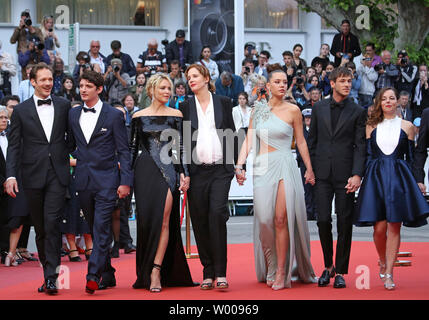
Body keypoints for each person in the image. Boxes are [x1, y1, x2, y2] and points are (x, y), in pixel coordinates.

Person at [234, 68, 317, 290]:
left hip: (285, 165)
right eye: (277, 82)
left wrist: (309, 169)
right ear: (268, 86)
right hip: (262, 166)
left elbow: (301, 142)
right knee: (264, 219)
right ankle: (270, 264)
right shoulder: (257, 110)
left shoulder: (294, 110)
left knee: (281, 219)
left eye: (285, 81)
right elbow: (249, 140)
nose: (282, 85)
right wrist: (239, 164)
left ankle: (282, 271)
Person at [5, 63, 72, 295]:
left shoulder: (64, 105)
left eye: (50, 79)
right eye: (43, 80)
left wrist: (66, 155)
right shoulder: (21, 110)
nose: (48, 83)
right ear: (32, 81)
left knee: (52, 223)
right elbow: (13, 146)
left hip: (57, 173)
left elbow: (72, 138)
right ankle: (48, 273)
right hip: (31, 175)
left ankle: (52, 277)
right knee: (41, 228)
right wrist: (10, 175)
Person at [355, 87, 429, 290]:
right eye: (384, 98)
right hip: (376, 176)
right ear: (379, 102)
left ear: (398, 101)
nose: (388, 101)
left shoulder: (407, 126)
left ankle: (389, 271)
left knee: (394, 225)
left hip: (399, 177)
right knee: (379, 228)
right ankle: (382, 258)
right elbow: (368, 155)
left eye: (392, 98)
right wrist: (362, 177)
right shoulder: (371, 126)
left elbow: (413, 158)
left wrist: (418, 180)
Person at [67, 70, 132, 294]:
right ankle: (109, 274)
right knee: (96, 231)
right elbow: (69, 146)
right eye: (81, 85)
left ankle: (92, 275)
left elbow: (124, 151)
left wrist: (125, 182)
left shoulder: (114, 115)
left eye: (88, 86)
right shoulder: (73, 115)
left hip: (107, 181)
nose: (83, 89)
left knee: (102, 228)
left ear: (99, 89)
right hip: (83, 181)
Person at [130, 73, 195, 292]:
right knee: (147, 221)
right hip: (145, 171)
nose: (167, 92)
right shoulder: (138, 116)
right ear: (151, 91)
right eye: (163, 88)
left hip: (169, 169)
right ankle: (146, 268)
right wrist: (127, 180)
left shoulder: (176, 114)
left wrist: (185, 174)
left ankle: (156, 269)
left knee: (165, 219)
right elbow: (132, 149)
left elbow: (183, 147)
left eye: (169, 88)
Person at [307, 66, 367, 289]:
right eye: (342, 81)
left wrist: (357, 174)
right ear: (332, 83)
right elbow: (311, 142)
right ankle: (327, 265)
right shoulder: (319, 108)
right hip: (322, 174)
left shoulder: (358, 111)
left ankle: (341, 270)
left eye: (349, 81)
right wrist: (310, 168)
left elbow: (361, 146)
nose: (347, 84)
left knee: (344, 223)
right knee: (322, 220)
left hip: (346, 176)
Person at [180, 64, 239, 290]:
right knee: (200, 220)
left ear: (206, 78)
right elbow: (182, 140)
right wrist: (183, 172)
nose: (191, 80)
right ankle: (207, 270)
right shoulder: (184, 106)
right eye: (188, 77)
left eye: (195, 76)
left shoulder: (224, 102)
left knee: (216, 214)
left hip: (220, 170)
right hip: (196, 172)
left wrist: (237, 165)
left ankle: (221, 272)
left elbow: (232, 134)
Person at [297, 108, 318, 221]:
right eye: (306, 118)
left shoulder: (317, 130)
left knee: (316, 187)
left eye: (310, 118)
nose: (308, 120)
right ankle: (309, 211)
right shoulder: (300, 131)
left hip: (315, 162)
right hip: (304, 163)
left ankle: (316, 211)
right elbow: (298, 147)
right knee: (307, 188)